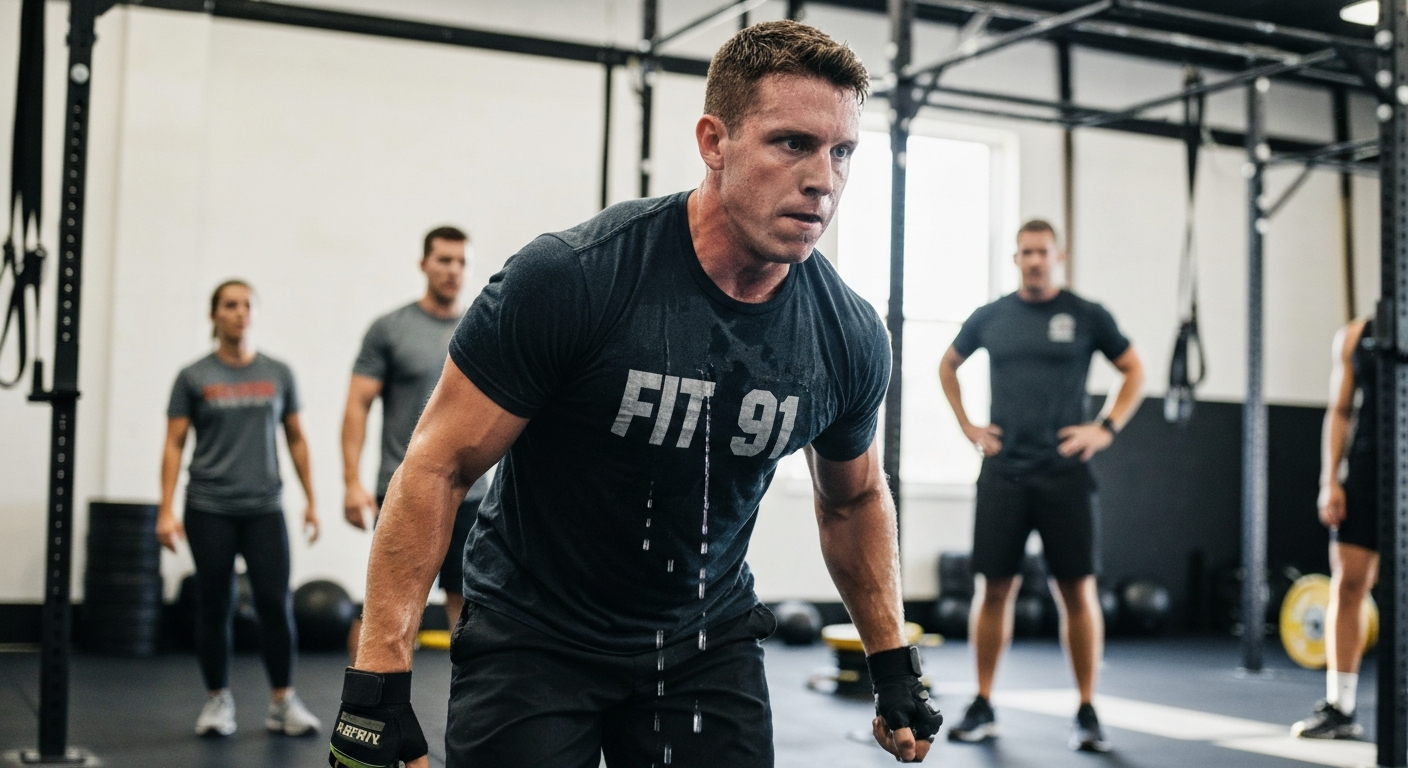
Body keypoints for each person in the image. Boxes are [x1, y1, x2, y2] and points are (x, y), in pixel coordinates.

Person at [327, 21, 941, 768]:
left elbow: (854, 499)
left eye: (842, 151)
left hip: (703, 642)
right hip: (535, 635)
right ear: (714, 142)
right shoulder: (574, 278)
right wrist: (378, 680)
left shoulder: (846, 335)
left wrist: (892, 662)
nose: (824, 179)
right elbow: (438, 465)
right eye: (792, 143)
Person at [938, 220, 1144, 752]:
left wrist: (1105, 428)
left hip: (1064, 474)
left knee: (1076, 591)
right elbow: (948, 365)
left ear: (1058, 256)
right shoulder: (992, 316)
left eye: (1042, 252)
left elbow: (1134, 371)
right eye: (1026, 252)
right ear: (1016, 258)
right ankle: (983, 703)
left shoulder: (1087, 315)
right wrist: (967, 426)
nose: (1034, 260)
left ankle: (1087, 710)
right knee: (994, 589)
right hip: (1004, 471)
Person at [155, 279, 323, 738]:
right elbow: (174, 443)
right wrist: (165, 509)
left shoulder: (279, 372)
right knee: (215, 604)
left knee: (275, 604)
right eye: (230, 305)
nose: (240, 312)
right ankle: (217, 701)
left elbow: (296, 438)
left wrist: (311, 500)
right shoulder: (193, 376)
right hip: (208, 506)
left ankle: (282, 702)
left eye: (248, 304)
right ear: (214, 315)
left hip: (264, 506)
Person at [341, 226, 489, 660]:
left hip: (471, 491)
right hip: (404, 486)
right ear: (424, 264)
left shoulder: (484, 325)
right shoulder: (390, 329)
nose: (453, 270)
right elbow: (357, 406)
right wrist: (351, 482)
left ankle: (466, 702)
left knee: (471, 608)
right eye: (444, 260)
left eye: (462, 262)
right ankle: (364, 696)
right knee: (387, 607)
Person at [1292, 317, 1377, 740]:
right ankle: (1341, 708)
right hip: (1368, 467)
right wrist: (1331, 479)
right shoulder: (1357, 335)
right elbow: (1341, 410)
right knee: (1348, 584)